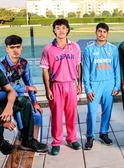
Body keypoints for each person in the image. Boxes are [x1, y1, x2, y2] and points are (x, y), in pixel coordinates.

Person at [40, 19, 82, 155]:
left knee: (71, 115)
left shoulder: (75, 47)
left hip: (71, 84)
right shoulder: (48, 49)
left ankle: (71, 139)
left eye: (64, 28)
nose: (61, 31)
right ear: (54, 31)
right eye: (58, 28)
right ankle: (56, 142)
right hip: (56, 85)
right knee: (56, 116)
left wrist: (79, 84)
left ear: (68, 29)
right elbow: (45, 70)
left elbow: (78, 66)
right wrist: (48, 89)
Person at [0, 35, 43, 138]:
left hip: (18, 94)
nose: (15, 50)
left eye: (18, 47)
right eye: (12, 47)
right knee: (19, 107)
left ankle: (37, 141)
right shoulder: (0, 65)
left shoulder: (24, 63)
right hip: (3, 96)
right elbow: (5, 85)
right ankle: (23, 135)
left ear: (21, 47)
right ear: (7, 49)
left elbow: (29, 84)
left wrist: (35, 102)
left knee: (38, 116)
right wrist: (26, 88)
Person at [83, 23, 120, 150]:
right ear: (96, 32)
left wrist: (117, 85)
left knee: (107, 111)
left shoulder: (113, 49)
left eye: (104, 32)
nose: (102, 34)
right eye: (100, 31)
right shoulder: (89, 50)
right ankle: (89, 136)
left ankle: (104, 133)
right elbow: (86, 71)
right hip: (95, 85)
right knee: (92, 112)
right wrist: (88, 89)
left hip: (109, 84)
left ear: (107, 34)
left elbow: (116, 68)